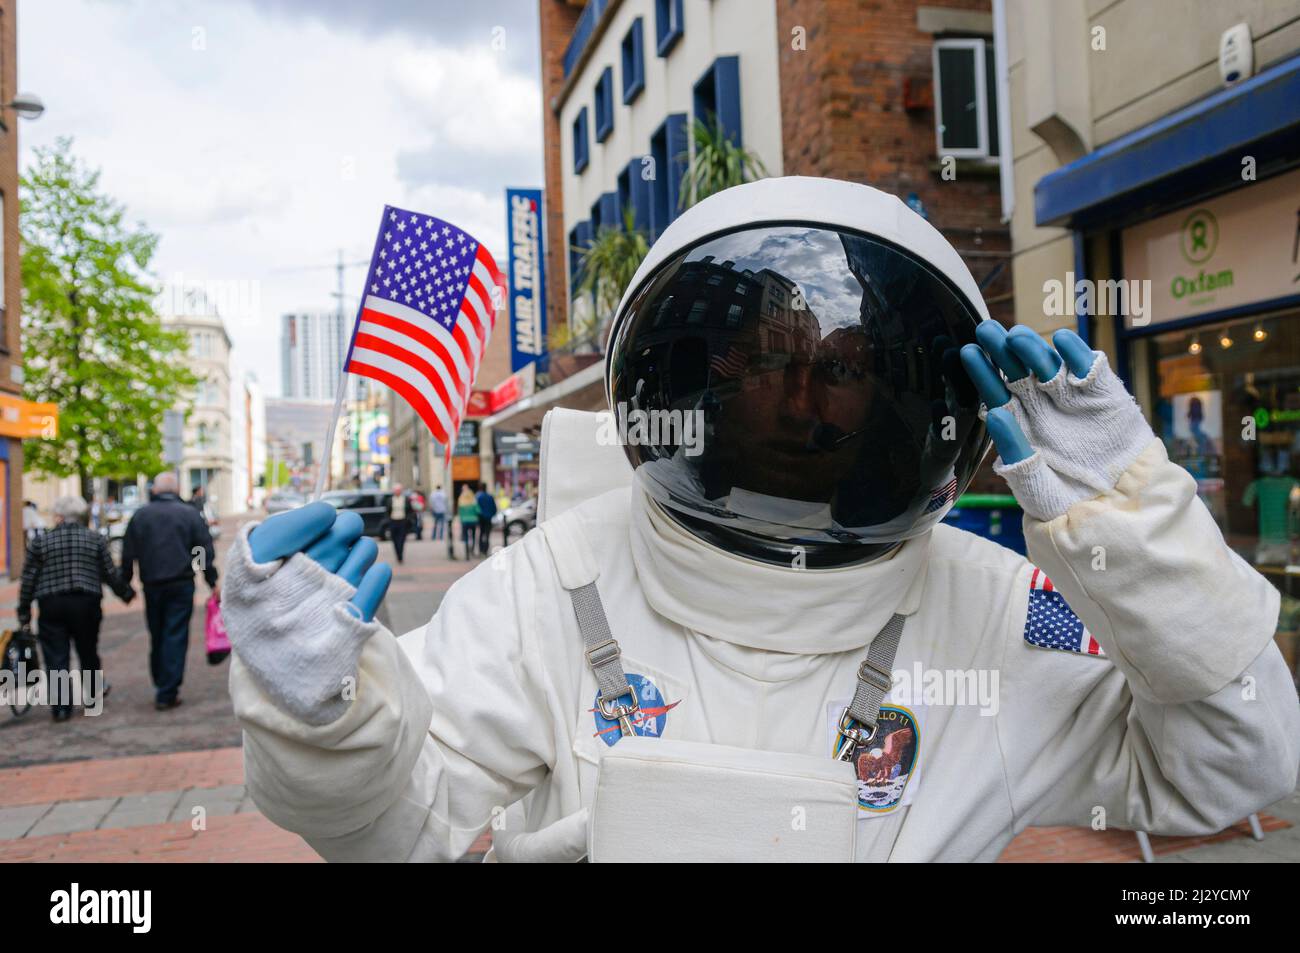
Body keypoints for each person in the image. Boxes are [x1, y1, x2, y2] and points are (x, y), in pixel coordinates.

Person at [222, 178, 1299, 862]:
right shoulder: (551, 586)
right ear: (693, 381)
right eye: (773, 365)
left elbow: (1238, 769)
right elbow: (401, 830)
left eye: (841, 370)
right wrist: (326, 727)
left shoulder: (1015, 608)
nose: (801, 402)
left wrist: (1139, 542)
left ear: (900, 397)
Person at [17, 496, 135, 721]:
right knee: (88, 650)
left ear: (59, 516)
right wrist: (126, 593)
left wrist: (23, 610)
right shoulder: (95, 539)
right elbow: (109, 573)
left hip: (51, 603)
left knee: (56, 656)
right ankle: (92, 698)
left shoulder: (41, 542)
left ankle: (61, 708)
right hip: (86, 602)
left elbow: (29, 579)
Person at [121, 471, 219, 711]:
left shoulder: (141, 516)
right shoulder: (189, 515)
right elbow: (203, 551)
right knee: (175, 634)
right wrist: (211, 579)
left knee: (157, 634)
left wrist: (125, 585)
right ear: (176, 491)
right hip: (181, 583)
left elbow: (128, 553)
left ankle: (162, 682)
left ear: (155, 490)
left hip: (152, 584)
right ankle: (167, 689)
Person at [386, 484, 415, 564]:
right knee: (395, 540)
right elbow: (387, 511)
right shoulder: (390, 500)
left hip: (402, 521)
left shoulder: (406, 499)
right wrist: (389, 520)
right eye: (396, 490)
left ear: (401, 491)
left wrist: (408, 519)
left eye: (399, 490)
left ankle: (400, 555)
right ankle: (398, 554)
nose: (397, 492)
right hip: (393, 521)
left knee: (402, 539)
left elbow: (410, 511)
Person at [456, 484, 479, 559]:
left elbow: (459, 512)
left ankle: (466, 552)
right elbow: (478, 511)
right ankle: (472, 549)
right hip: (473, 520)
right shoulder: (473, 501)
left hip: (464, 521)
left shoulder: (461, 500)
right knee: (473, 535)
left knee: (465, 536)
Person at [475, 483, 497, 557]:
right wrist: (491, 514)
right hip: (488, 518)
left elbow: (476, 508)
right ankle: (485, 550)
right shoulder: (490, 497)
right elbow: (494, 508)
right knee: (487, 534)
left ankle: (481, 550)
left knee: (481, 534)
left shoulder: (478, 497)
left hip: (481, 518)